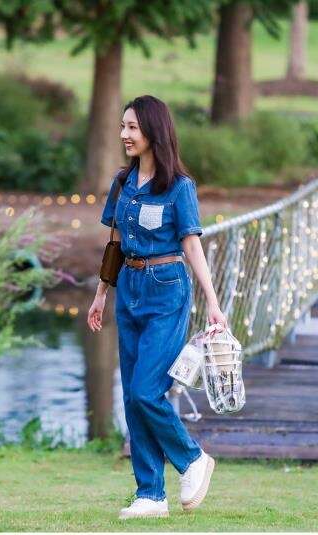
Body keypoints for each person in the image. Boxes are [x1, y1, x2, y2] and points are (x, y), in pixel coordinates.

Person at [87, 95, 229, 520]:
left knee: (147, 390)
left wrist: (213, 302)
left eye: (132, 127)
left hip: (167, 291)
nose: (124, 134)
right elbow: (114, 243)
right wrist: (101, 294)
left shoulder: (179, 187)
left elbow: (192, 245)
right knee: (132, 395)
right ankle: (150, 494)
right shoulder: (122, 183)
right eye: (122, 126)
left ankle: (192, 459)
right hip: (128, 288)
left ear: (153, 131)